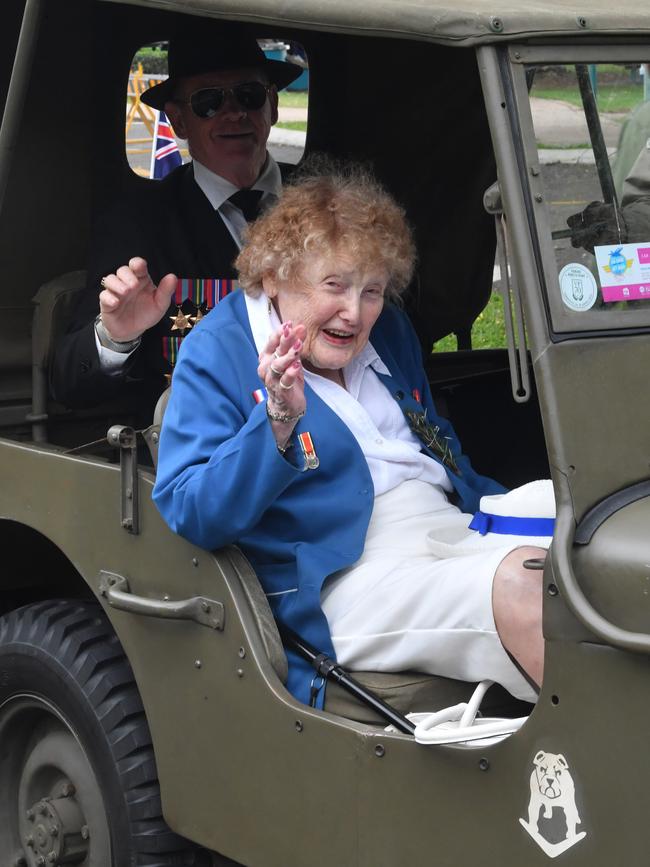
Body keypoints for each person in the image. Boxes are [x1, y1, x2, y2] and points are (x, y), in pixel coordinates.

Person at [151, 166, 545, 710]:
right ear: (273, 277)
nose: (354, 314)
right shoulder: (218, 349)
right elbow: (191, 509)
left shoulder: (388, 333)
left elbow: (437, 444)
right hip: (339, 574)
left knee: (595, 563)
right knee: (531, 593)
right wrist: (277, 424)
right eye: (333, 286)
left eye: (373, 291)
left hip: (450, 530)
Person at [50, 28, 301, 421]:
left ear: (271, 103)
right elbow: (69, 383)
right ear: (179, 122)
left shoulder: (327, 203)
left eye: (249, 96)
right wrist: (117, 336)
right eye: (208, 102)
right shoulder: (139, 222)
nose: (234, 112)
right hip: (203, 447)